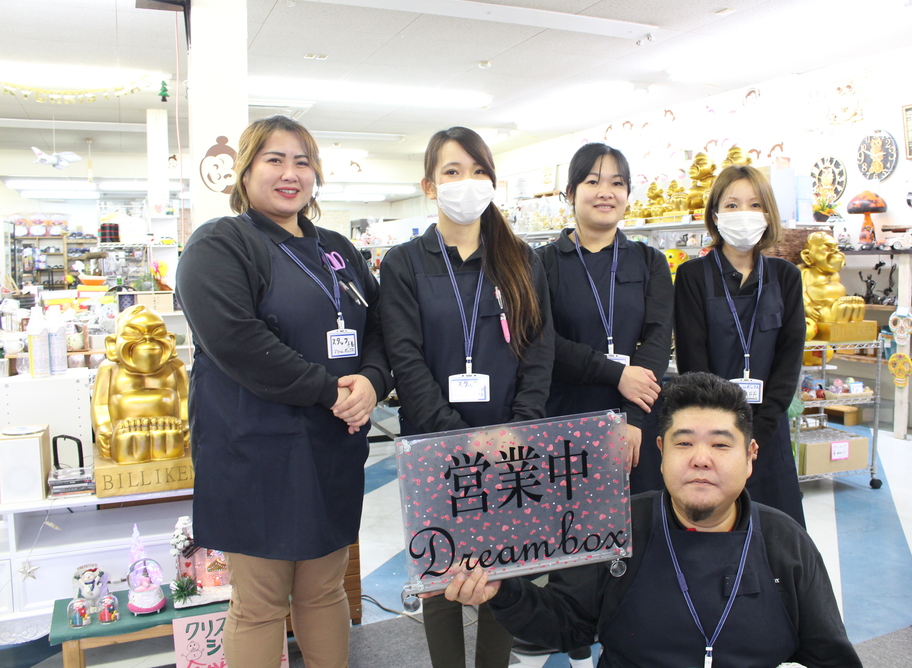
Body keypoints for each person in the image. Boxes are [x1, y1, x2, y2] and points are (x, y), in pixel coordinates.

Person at [442, 373, 861, 668]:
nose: (701, 458)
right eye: (684, 443)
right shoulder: (620, 525)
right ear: (661, 452)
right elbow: (565, 625)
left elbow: (830, 656)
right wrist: (504, 592)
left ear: (750, 457)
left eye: (720, 444)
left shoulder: (785, 543)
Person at [176, 115, 392, 668]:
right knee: (260, 603)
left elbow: (382, 332)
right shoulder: (221, 244)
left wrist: (371, 382)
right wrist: (331, 390)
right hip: (254, 450)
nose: (290, 173)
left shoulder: (339, 250)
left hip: (331, 446)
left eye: (302, 161)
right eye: (274, 159)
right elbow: (238, 341)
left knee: (324, 591)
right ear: (245, 172)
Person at [380, 126, 554, 668]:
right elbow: (405, 359)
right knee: (442, 571)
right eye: (453, 172)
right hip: (433, 445)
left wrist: (519, 427)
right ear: (429, 185)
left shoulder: (522, 260)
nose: (467, 182)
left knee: (502, 570)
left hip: (509, 443)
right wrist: (453, 435)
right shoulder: (405, 263)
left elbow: (538, 350)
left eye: (478, 171)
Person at [673, 165, 806, 526]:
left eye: (754, 204)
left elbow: (789, 359)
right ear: (715, 215)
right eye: (732, 205)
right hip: (713, 432)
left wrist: (758, 433)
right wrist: (728, 436)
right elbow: (693, 364)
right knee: (714, 528)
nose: (743, 215)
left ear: (768, 214)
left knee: (776, 530)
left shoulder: (786, 277)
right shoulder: (692, 277)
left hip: (768, 429)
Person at [539, 143, 672, 494]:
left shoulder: (649, 261)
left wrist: (633, 416)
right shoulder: (540, 263)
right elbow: (542, 341)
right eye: (593, 182)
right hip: (563, 414)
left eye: (617, 183)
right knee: (570, 525)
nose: (605, 193)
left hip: (634, 417)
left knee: (637, 524)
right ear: (571, 192)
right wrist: (618, 374)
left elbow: (658, 339)